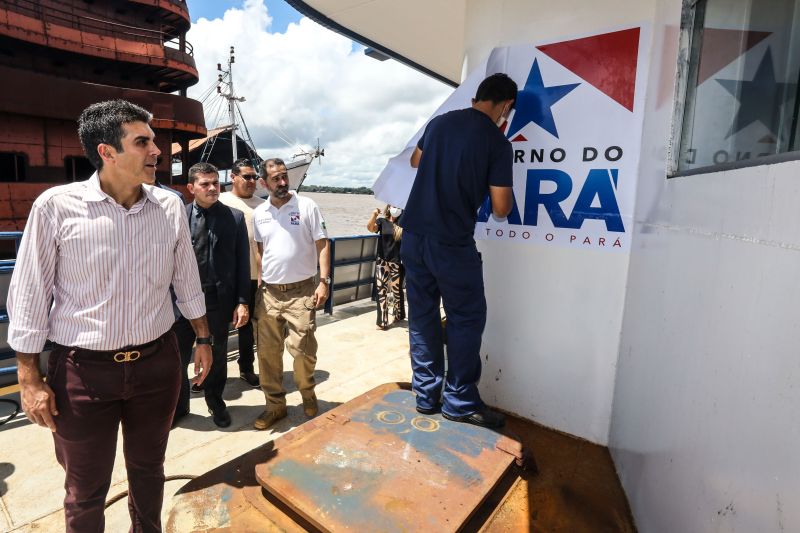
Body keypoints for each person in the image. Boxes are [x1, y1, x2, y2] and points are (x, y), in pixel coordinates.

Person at [6, 99, 212, 532]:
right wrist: (29, 378)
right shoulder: (55, 207)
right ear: (107, 152)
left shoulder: (169, 205)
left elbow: (186, 279)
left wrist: (204, 337)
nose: (156, 151)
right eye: (142, 142)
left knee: (149, 470)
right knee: (85, 489)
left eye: (153, 141)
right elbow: (30, 294)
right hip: (83, 373)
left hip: (157, 365)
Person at [400, 73, 517, 429]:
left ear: (476, 98)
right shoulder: (496, 142)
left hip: (413, 236)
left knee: (422, 317)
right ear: (506, 105)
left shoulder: (439, 124)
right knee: (465, 319)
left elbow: (415, 161)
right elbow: (501, 208)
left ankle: (426, 395)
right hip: (451, 243)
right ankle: (459, 401)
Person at [251, 158, 331, 430]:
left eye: (284, 176)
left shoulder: (307, 206)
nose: (283, 182)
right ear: (264, 183)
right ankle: (275, 406)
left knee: (303, 351)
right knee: (267, 355)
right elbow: (260, 250)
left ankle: (308, 394)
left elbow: (322, 244)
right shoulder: (259, 213)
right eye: (275, 178)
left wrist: (324, 281)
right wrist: (261, 281)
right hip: (269, 294)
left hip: (302, 291)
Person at [172, 162, 250, 428]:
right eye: (205, 184)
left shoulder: (235, 218)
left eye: (215, 183)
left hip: (217, 301)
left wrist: (242, 301)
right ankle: (179, 407)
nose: (212, 188)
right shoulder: (178, 217)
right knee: (178, 357)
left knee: (216, 355)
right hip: (182, 302)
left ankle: (215, 402)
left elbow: (242, 264)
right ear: (191, 187)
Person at [218, 158, 265, 388]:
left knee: (247, 328)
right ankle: (212, 374)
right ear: (233, 177)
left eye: (255, 177)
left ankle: (246, 368)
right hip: (225, 277)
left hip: (253, 277)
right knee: (218, 329)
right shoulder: (220, 201)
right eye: (247, 176)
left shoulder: (263, 205)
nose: (251, 181)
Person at [367, 205, 405, 330]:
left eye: (398, 206)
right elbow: (371, 228)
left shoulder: (404, 223)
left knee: (396, 291)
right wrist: (374, 215)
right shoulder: (382, 221)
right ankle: (382, 322)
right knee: (381, 290)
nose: (395, 208)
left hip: (397, 262)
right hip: (382, 261)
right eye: (393, 205)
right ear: (388, 207)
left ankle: (399, 314)